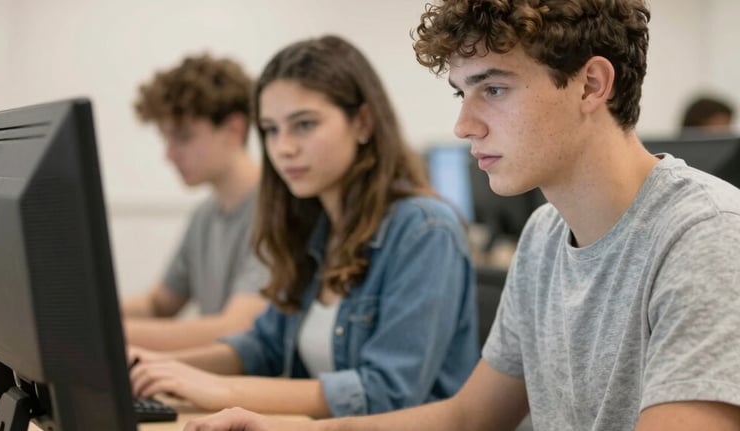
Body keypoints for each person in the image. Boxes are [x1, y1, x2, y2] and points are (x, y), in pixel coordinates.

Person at [181, 1, 740, 430]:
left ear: (592, 84)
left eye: (493, 88)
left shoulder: (705, 236)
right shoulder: (544, 234)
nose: (465, 125)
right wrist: (291, 426)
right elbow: (466, 419)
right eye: (461, 94)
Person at [127, 35, 479, 418]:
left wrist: (219, 389)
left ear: (362, 123)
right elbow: (263, 346)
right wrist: (163, 367)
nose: (283, 148)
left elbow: (386, 392)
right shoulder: (316, 228)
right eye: (271, 130)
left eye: (304, 125)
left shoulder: (424, 230)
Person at [121, 54, 269, 351]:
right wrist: (78, 318)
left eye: (183, 137)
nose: (169, 155)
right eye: (166, 139)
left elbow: (235, 329)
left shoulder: (276, 214)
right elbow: (158, 304)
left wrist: (101, 335)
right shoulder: (205, 215)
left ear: (234, 130)